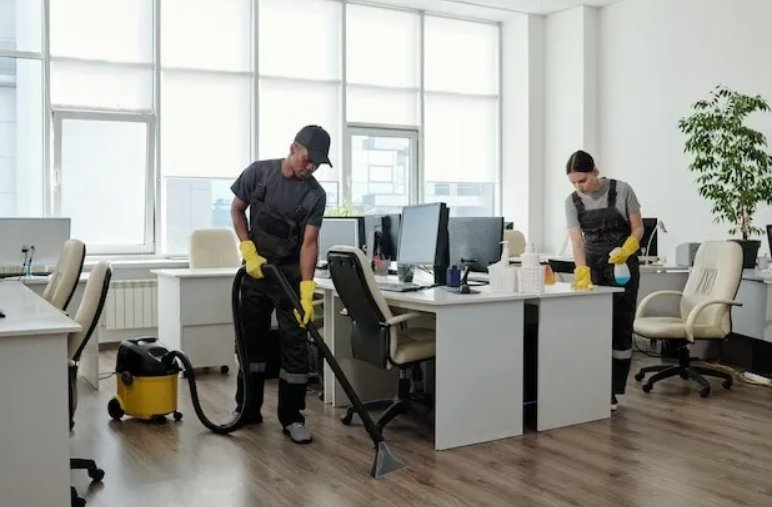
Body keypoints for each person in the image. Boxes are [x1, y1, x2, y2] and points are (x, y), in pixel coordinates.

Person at [230, 125, 329, 443]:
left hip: (289, 277)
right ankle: (247, 409)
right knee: (251, 342)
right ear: (293, 148)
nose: (310, 167)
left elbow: (309, 243)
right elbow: (237, 209)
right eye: (308, 159)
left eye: (316, 164)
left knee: (295, 346)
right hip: (257, 273)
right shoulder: (258, 174)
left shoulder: (315, 194)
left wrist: (306, 289)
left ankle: (292, 417)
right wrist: (248, 249)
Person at [564, 150, 643, 412]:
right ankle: (592, 386)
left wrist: (629, 246)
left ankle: (613, 391)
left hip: (623, 266)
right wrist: (581, 272)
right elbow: (577, 241)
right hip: (594, 267)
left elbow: (638, 228)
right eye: (574, 182)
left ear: (595, 170)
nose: (579, 186)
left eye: (583, 180)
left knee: (620, 326)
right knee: (594, 327)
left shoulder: (622, 190)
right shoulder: (572, 201)